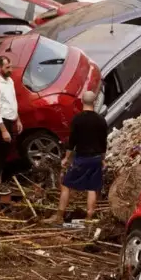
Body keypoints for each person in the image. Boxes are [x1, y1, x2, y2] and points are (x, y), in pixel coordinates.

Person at [44, 91, 108, 224]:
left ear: (82, 102)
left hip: (82, 159)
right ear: (95, 102)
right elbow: (103, 143)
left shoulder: (77, 120)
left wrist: (66, 158)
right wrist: (102, 159)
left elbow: (72, 142)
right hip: (96, 159)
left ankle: (59, 216)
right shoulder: (101, 121)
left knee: (66, 184)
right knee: (92, 187)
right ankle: (89, 218)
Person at [0, 56, 23, 195]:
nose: (10, 69)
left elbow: (12, 102)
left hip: (9, 121)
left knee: (6, 152)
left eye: (11, 66)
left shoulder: (9, 81)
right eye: (7, 67)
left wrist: (17, 119)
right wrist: (3, 131)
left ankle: (0, 180)